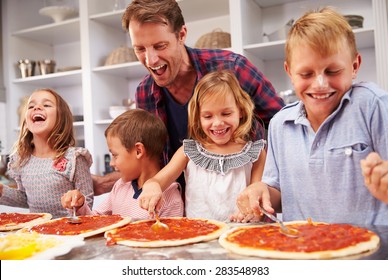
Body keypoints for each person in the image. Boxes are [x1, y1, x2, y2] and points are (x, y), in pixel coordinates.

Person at [92, 0, 284, 195]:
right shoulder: (145, 92)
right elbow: (149, 163)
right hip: (185, 210)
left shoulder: (233, 68)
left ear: (182, 34)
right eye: (140, 49)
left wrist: (264, 184)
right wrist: (103, 184)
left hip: (247, 207)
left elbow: (285, 128)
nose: (151, 60)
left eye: (160, 46)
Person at [233, 7, 388, 225]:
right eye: (306, 74)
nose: (320, 84)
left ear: (354, 66)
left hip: (370, 254)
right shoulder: (280, 124)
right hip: (301, 250)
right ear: (289, 72)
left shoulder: (374, 106)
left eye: (332, 71)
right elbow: (279, 196)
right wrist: (262, 191)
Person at [139, 70, 266, 221]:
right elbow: (157, 181)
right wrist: (152, 186)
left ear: (240, 111)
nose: (218, 123)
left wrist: (253, 212)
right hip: (199, 236)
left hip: (241, 234)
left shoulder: (256, 153)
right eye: (208, 116)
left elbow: (257, 197)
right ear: (198, 117)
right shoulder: (187, 152)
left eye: (226, 114)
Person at [61, 109, 183, 219]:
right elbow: (95, 220)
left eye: (115, 155)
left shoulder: (170, 197)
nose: (112, 163)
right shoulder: (120, 186)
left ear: (138, 151)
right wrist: (80, 205)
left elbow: (167, 240)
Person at [0, 88, 94, 218]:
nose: (37, 107)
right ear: (26, 122)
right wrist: (1, 192)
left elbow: (87, 206)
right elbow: (25, 198)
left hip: (68, 232)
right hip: (36, 233)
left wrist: (78, 201)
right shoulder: (21, 159)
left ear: (61, 119)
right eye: (31, 106)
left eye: (46, 105)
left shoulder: (74, 158)